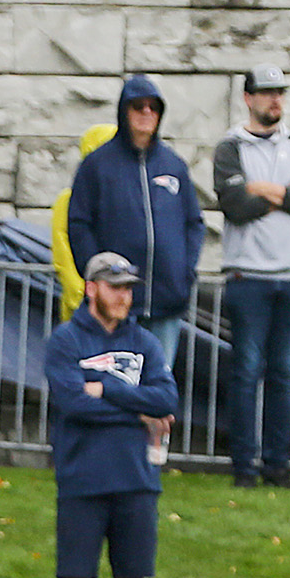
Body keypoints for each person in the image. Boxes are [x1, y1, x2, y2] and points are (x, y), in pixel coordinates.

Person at [45, 250, 179, 578]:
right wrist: (135, 410)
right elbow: (72, 402)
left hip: (137, 478)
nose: (123, 296)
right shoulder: (64, 341)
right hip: (82, 477)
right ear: (92, 288)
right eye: (115, 286)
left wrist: (110, 389)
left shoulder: (145, 341)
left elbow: (165, 398)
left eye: (128, 288)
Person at [209, 68, 290, 489]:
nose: (274, 101)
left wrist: (268, 190)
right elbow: (236, 205)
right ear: (248, 98)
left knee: (283, 374)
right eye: (266, 93)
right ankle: (244, 466)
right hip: (249, 275)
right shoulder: (229, 147)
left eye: (279, 93)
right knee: (246, 372)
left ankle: (277, 464)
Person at [65, 75, 202, 364]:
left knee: (156, 390)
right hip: (114, 305)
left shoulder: (173, 165)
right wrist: (98, 276)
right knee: (114, 386)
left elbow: (194, 222)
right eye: (138, 106)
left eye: (153, 107)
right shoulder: (96, 166)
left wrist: (184, 273)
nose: (146, 113)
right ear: (124, 111)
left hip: (166, 304)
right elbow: (78, 224)